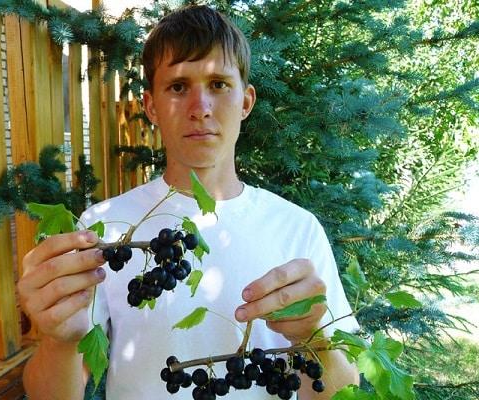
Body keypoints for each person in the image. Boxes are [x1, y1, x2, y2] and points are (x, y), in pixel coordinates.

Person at [19, 5, 359, 400]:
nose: (201, 108)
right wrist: (59, 342)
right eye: (178, 87)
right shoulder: (103, 230)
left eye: (218, 84)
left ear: (246, 102)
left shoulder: (297, 229)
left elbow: (338, 391)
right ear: (151, 107)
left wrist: (316, 340)